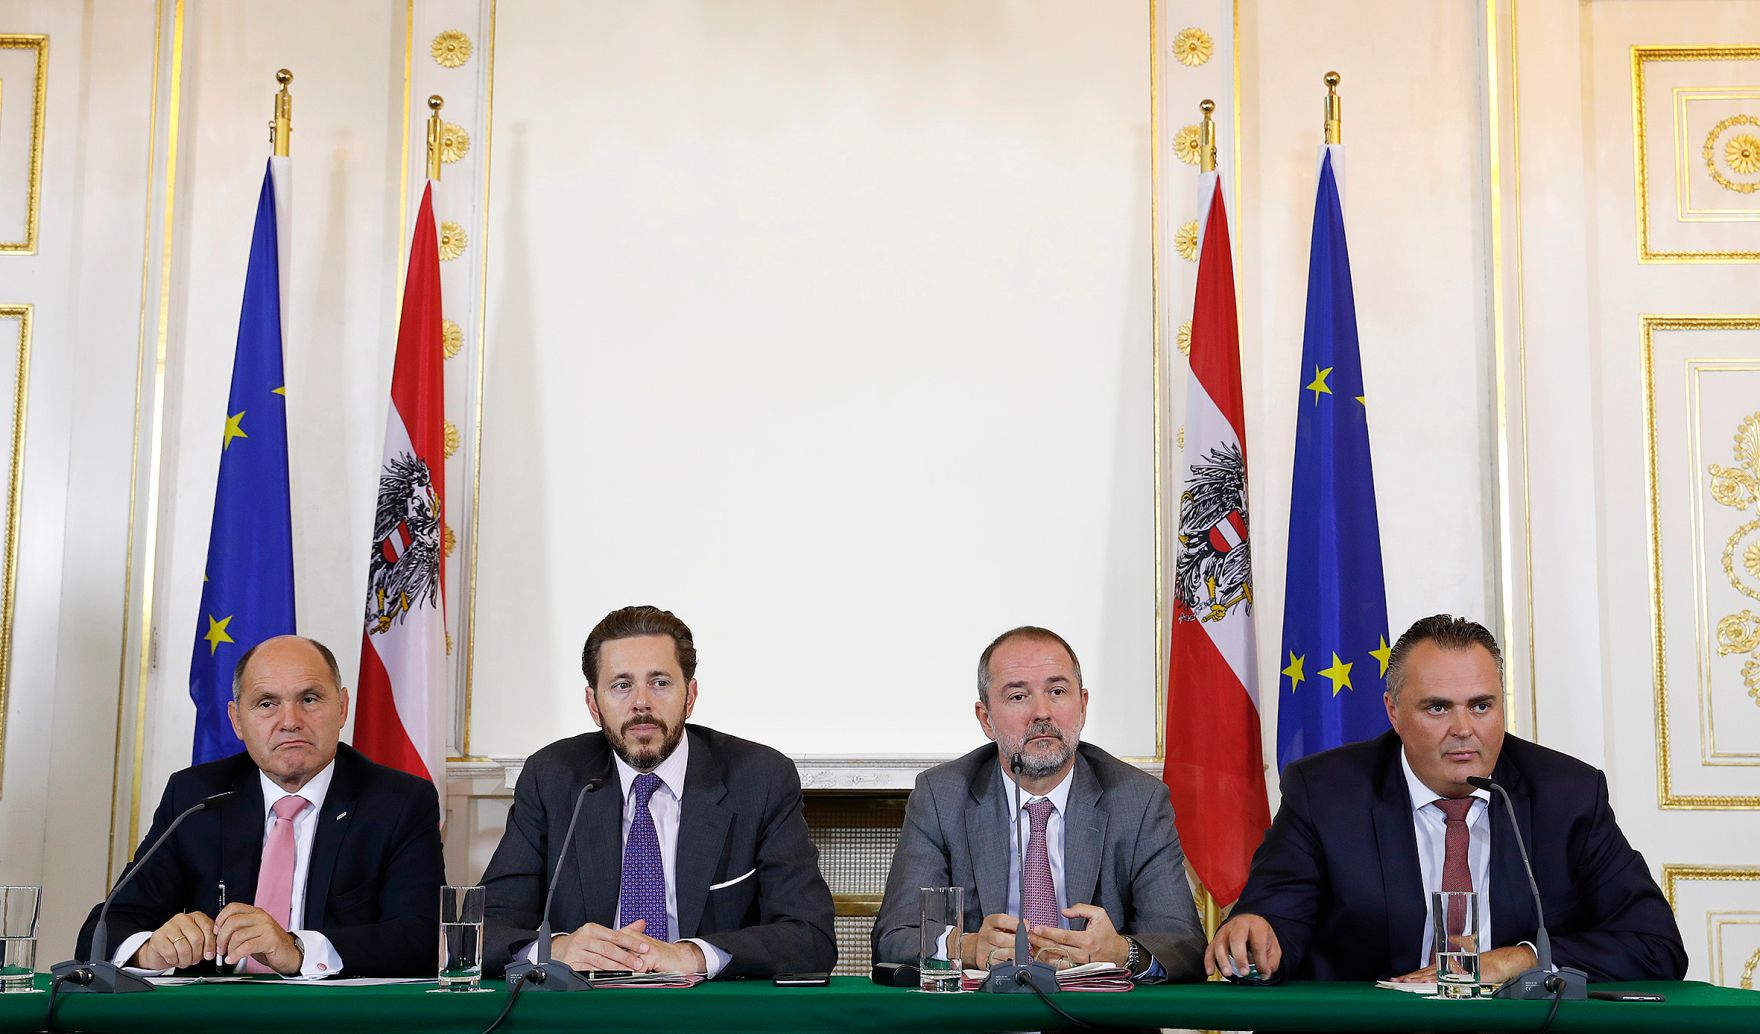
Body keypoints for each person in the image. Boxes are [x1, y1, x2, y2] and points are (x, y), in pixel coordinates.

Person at [1207, 614, 1687, 984]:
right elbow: (1276, 922)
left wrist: (1521, 960)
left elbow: (1655, 943)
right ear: (1393, 712)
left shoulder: (1567, 794)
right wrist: (1256, 932)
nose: (1463, 729)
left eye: (1481, 706)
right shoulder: (1326, 792)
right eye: (1437, 707)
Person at [480, 604, 836, 979]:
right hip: (585, 1005)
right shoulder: (552, 777)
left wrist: (692, 956)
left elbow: (810, 937)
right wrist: (554, 950)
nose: (641, 702)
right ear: (593, 705)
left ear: (690, 696)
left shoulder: (759, 778)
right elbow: (483, 930)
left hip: (708, 1006)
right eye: (621, 685)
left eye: (660, 683)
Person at [75, 635, 444, 978]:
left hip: (337, 1015)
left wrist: (297, 950)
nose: (290, 722)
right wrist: (150, 951)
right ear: (237, 720)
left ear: (342, 707)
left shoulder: (399, 802)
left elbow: (422, 937)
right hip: (212, 1014)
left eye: (309, 699)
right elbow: (104, 927)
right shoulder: (195, 797)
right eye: (267, 704)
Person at [872, 626, 1206, 981]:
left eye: (1057, 692)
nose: (1042, 712)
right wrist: (968, 948)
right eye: (1018, 697)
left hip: (1093, 1011)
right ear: (986, 719)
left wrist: (1123, 952)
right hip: (984, 1011)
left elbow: (1182, 943)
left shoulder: (1137, 799)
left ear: (1083, 706)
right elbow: (894, 938)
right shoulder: (942, 796)